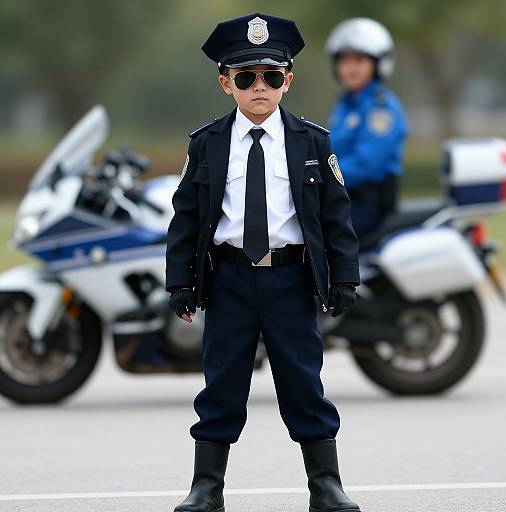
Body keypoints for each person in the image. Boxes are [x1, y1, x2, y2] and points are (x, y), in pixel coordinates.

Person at [166, 12, 361, 512]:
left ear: (287, 81)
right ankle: (206, 488)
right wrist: (180, 283)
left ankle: (326, 486)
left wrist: (344, 277)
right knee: (221, 385)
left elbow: (336, 216)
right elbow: (186, 219)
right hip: (228, 277)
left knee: (302, 381)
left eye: (271, 77)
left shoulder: (311, 142)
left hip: (290, 280)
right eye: (246, 77)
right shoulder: (207, 144)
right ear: (225, 83)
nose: (260, 88)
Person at [325, 17, 409, 239]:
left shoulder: (380, 108)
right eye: (344, 60)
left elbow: (366, 165)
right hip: (344, 199)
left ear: (378, 63)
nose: (350, 67)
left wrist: (322, 178)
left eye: (359, 59)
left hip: (367, 206)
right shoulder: (345, 105)